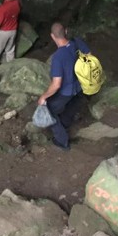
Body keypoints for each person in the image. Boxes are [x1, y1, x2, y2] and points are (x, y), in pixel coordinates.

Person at [37, 23, 90, 151]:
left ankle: (62, 141)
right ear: (66, 31)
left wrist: (43, 97)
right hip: (80, 86)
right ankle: (65, 124)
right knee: (72, 106)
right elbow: (90, 58)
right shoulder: (77, 42)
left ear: (52, 36)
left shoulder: (58, 57)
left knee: (49, 109)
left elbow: (56, 84)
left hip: (66, 91)